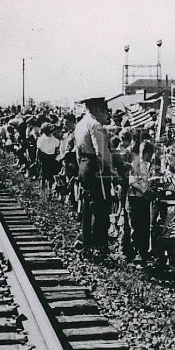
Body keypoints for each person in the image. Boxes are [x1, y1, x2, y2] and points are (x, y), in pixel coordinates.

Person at [74, 96, 115, 252]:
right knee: (100, 208)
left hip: (84, 166)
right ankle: (99, 245)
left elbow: (78, 151)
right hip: (96, 168)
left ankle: (86, 240)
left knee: (87, 205)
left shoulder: (80, 124)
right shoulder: (95, 125)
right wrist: (111, 171)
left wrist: (83, 167)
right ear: (97, 108)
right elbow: (101, 153)